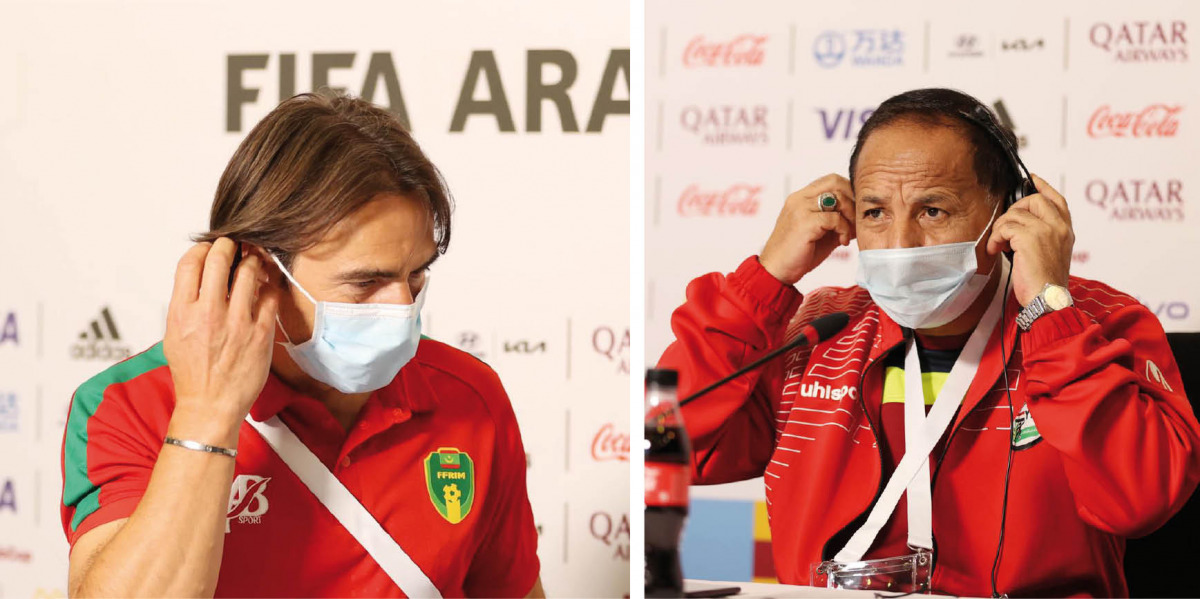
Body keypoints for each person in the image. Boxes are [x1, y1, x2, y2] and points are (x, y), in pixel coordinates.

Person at [658, 88, 1200, 597]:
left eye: (932, 210)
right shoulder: (821, 328)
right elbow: (668, 448)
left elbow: (1140, 500)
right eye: (875, 212)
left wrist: (1048, 313)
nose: (899, 243)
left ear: (1008, 210)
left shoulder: (1099, 321)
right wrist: (766, 282)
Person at [60, 93, 544, 598]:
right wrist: (209, 413)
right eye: (366, 282)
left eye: (416, 274)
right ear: (259, 269)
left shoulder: (470, 397)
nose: (402, 307)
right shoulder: (128, 405)